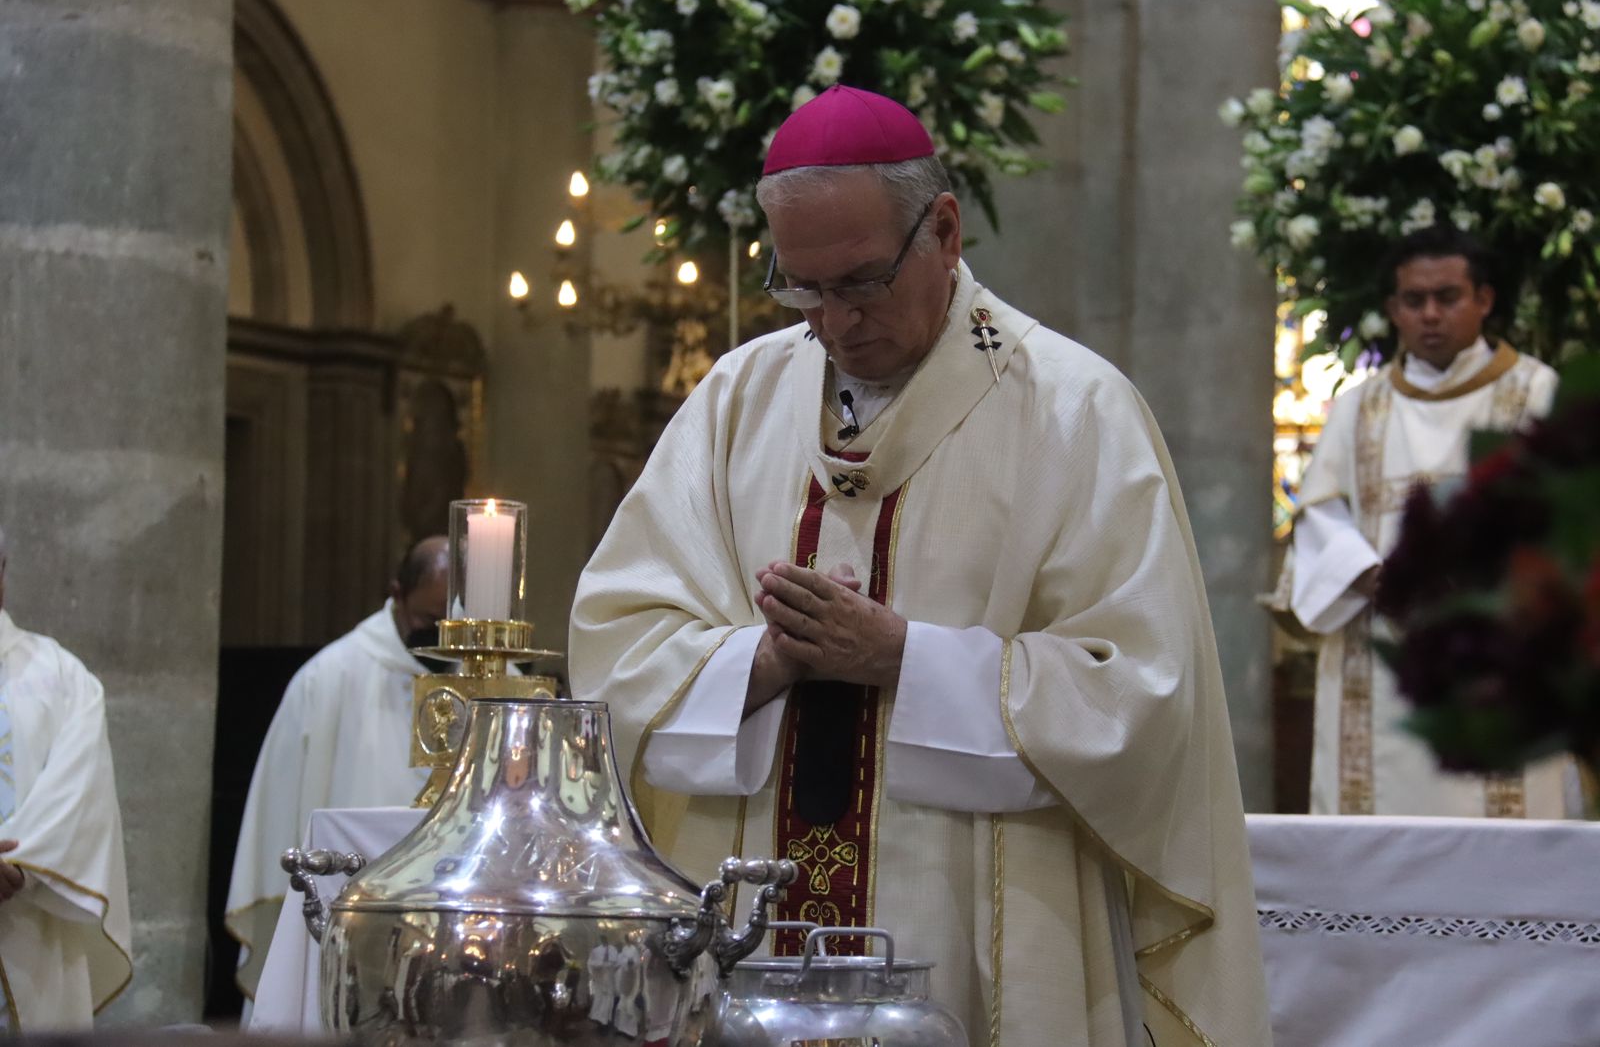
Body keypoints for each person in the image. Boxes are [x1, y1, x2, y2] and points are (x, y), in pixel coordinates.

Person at [569, 85, 1269, 1047]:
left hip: (976, 909)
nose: (835, 322)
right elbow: (616, 643)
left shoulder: (1073, 410)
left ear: (943, 230)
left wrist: (904, 657)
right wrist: (764, 664)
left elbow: (1141, 691)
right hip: (748, 929)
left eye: (860, 282)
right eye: (802, 288)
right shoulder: (738, 399)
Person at [1286, 225, 1568, 816]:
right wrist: (1367, 572)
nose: (1430, 314)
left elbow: (1565, 517)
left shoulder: (1536, 393)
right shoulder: (1360, 407)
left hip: (1497, 649)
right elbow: (1318, 515)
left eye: (1448, 297)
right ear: (1393, 309)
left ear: (1483, 300)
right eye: (1414, 301)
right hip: (1382, 653)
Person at [225, 536, 447, 1001]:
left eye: (453, 622)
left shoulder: (490, 683)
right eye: (428, 620)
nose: (440, 636)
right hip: (345, 924)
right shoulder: (328, 678)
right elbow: (280, 812)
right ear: (397, 594)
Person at [0, 524, 133, 1031]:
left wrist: (16, 866)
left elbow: (78, 795)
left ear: (4, 575)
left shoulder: (62, 677)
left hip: (30, 919)